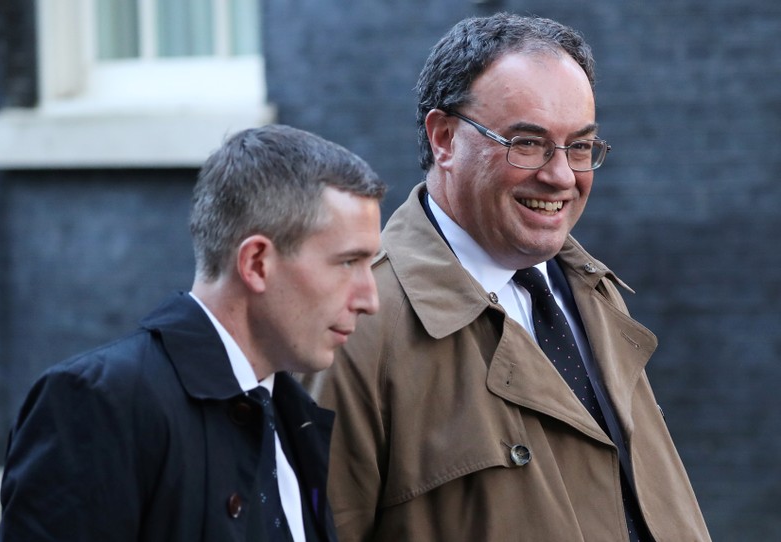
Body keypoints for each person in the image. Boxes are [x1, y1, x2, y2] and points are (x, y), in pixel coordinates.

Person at [304, 13, 711, 541]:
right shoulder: (359, 324)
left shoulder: (592, 289)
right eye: (527, 143)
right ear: (444, 138)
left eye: (581, 146)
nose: (561, 175)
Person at [0, 124, 385, 541]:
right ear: (256, 263)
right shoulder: (100, 401)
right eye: (348, 263)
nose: (370, 299)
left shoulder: (291, 410)